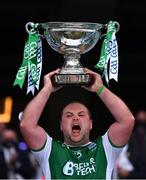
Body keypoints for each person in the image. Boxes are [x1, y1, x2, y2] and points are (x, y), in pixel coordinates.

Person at [19, 68, 135, 179]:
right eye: (69, 115)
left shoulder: (105, 148)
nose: (75, 118)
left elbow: (127, 121)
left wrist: (99, 88)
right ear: (61, 125)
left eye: (81, 115)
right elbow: (27, 125)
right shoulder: (49, 150)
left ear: (90, 124)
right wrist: (47, 89)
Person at [117, 109, 146, 179]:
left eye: (143, 120)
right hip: (130, 173)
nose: (141, 126)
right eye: (139, 120)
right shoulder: (130, 137)